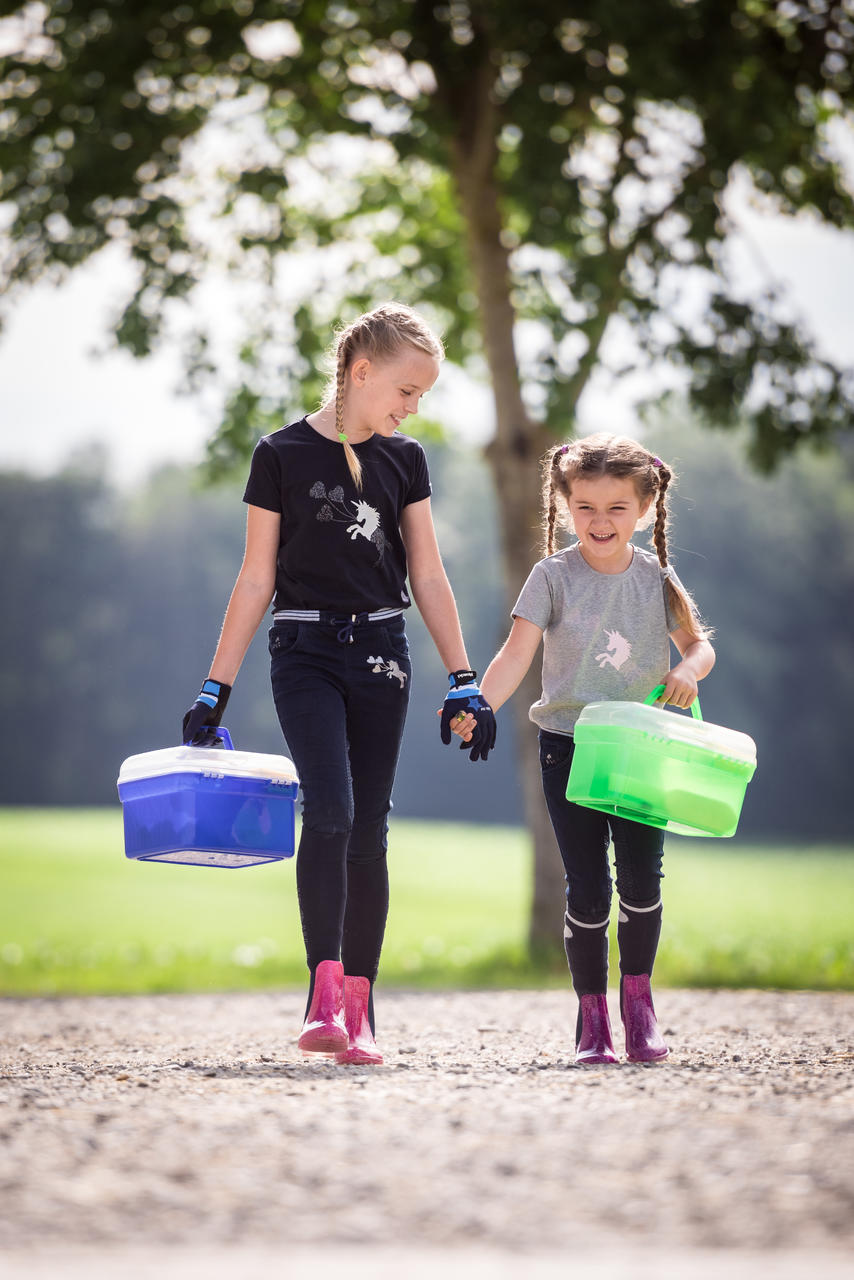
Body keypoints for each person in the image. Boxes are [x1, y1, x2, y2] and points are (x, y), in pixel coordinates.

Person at [182, 303, 495, 1066]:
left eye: (420, 395)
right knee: (329, 811)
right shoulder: (280, 454)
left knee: (368, 830)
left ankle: (361, 1012)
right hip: (304, 651)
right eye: (406, 390)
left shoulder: (406, 460)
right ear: (360, 373)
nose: (412, 407)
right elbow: (256, 578)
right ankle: (323, 997)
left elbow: (427, 573)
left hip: (383, 654)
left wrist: (465, 681)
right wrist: (214, 688)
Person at [451, 433, 715, 1065]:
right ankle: (592, 1018)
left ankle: (640, 1007)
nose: (600, 522)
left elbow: (700, 646)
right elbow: (516, 653)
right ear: (565, 506)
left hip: (640, 749)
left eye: (616, 508)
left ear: (644, 510)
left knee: (642, 882)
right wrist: (479, 703)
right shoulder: (550, 576)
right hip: (567, 747)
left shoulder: (657, 577)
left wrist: (688, 672)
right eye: (586, 507)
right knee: (588, 888)